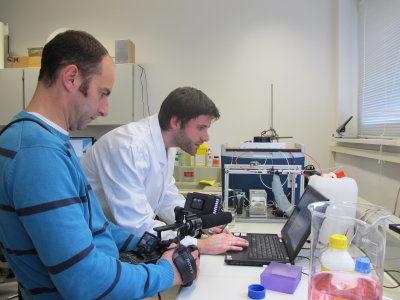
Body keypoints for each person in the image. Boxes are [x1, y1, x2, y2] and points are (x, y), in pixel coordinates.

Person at [0, 30, 198, 300]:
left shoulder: (48, 142)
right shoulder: (37, 154)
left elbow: (97, 227)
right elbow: (85, 281)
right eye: (102, 93)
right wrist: (167, 272)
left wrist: (153, 242)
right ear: (71, 78)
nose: (105, 109)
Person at [81, 87, 249, 254]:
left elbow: (167, 198)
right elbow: (136, 224)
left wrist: (201, 223)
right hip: (95, 245)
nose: (206, 137)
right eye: (200, 128)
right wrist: (198, 244)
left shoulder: (167, 144)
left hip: (122, 240)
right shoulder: (128, 146)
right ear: (175, 122)